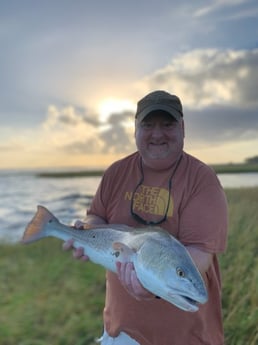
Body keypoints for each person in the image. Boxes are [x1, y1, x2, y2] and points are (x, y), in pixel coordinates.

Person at [63, 90, 228, 345]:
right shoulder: (116, 172)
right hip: (121, 328)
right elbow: (96, 217)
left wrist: (151, 286)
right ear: (135, 129)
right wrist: (85, 231)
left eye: (168, 124)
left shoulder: (201, 180)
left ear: (183, 128)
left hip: (185, 336)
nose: (157, 134)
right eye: (148, 125)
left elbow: (200, 253)